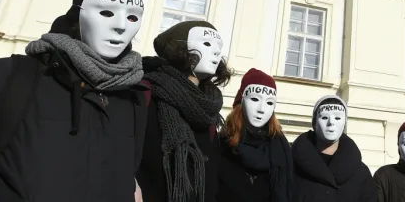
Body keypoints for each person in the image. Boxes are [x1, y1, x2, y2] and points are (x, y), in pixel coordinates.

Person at [0, 0, 148, 202]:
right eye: (106, 12)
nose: (121, 26)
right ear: (76, 14)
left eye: (132, 17)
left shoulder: (131, 97)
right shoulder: (10, 78)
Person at [137, 21, 231, 202]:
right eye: (206, 43)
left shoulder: (209, 107)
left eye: (219, 47)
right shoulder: (147, 92)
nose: (217, 51)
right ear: (180, 48)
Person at [218, 68, 293, 202]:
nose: (261, 109)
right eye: (255, 99)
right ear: (241, 101)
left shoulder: (281, 149)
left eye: (270, 102)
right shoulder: (220, 146)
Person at [290, 95, 376, 201]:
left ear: (344, 124)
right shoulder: (290, 166)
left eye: (338, 118)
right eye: (324, 117)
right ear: (314, 123)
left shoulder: (361, 173)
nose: (331, 123)